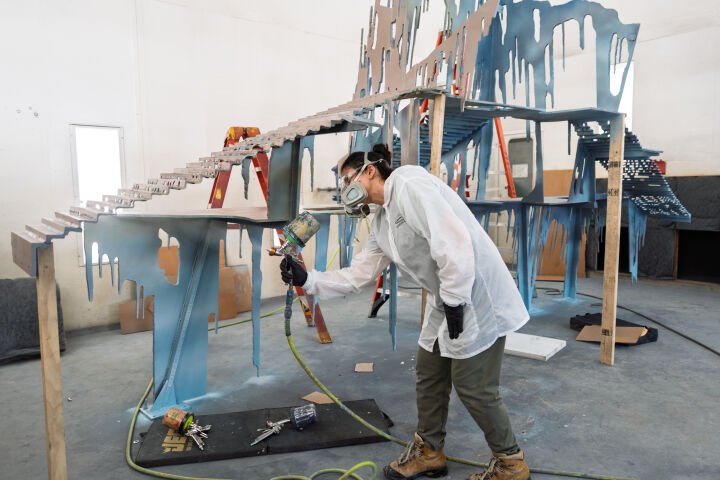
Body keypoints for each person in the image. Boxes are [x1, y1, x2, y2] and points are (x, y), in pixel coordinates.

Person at [280, 144, 531, 480]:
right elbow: (359, 274)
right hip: (448, 298)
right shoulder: (382, 221)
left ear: (370, 171)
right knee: (429, 374)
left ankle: (511, 462)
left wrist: (456, 301)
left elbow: (452, 241)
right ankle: (430, 451)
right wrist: (307, 280)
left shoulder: (409, 184)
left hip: (477, 294)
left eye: (347, 179)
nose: (344, 188)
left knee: (474, 386)